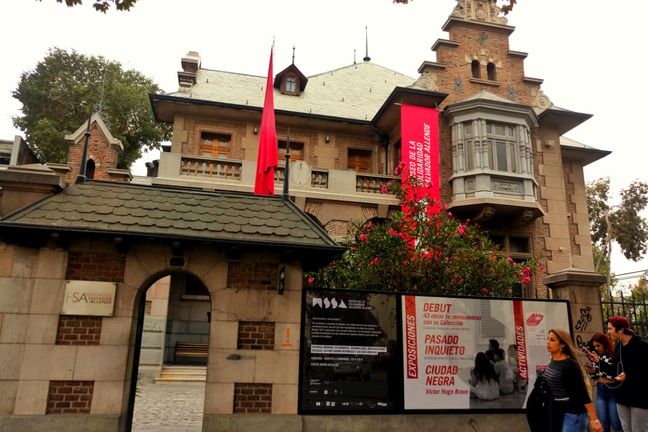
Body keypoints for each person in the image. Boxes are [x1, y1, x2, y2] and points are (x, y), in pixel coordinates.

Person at [544, 328, 603, 432]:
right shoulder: (553, 361)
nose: (548, 342)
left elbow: (582, 393)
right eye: (547, 339)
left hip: (573, 413)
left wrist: (594, 419)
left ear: (562, 345)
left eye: (552, 340)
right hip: (558, 412)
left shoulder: (570, 365)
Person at [606, 316, 648, 432]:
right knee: (626, 428)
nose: (608, 332)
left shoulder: (641, 345)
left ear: (620, 330)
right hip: (622, 395)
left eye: (610, 329)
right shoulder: (618, 346)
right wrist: (599, 369)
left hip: (640, 396)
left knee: (638, 429)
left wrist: (628, 375)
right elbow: (615, 367)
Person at [586, 333, 623, 432]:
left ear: (605, 344)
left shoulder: (614, 356)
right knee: (603, 423)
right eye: (594, 346)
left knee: (616, 423)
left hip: (612, 389)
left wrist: (599, 365)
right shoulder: (596, 356)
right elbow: (595, 377)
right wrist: (592, 371)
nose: (596, 348)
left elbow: (614, 375)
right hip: (600, 389)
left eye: (598, 345)